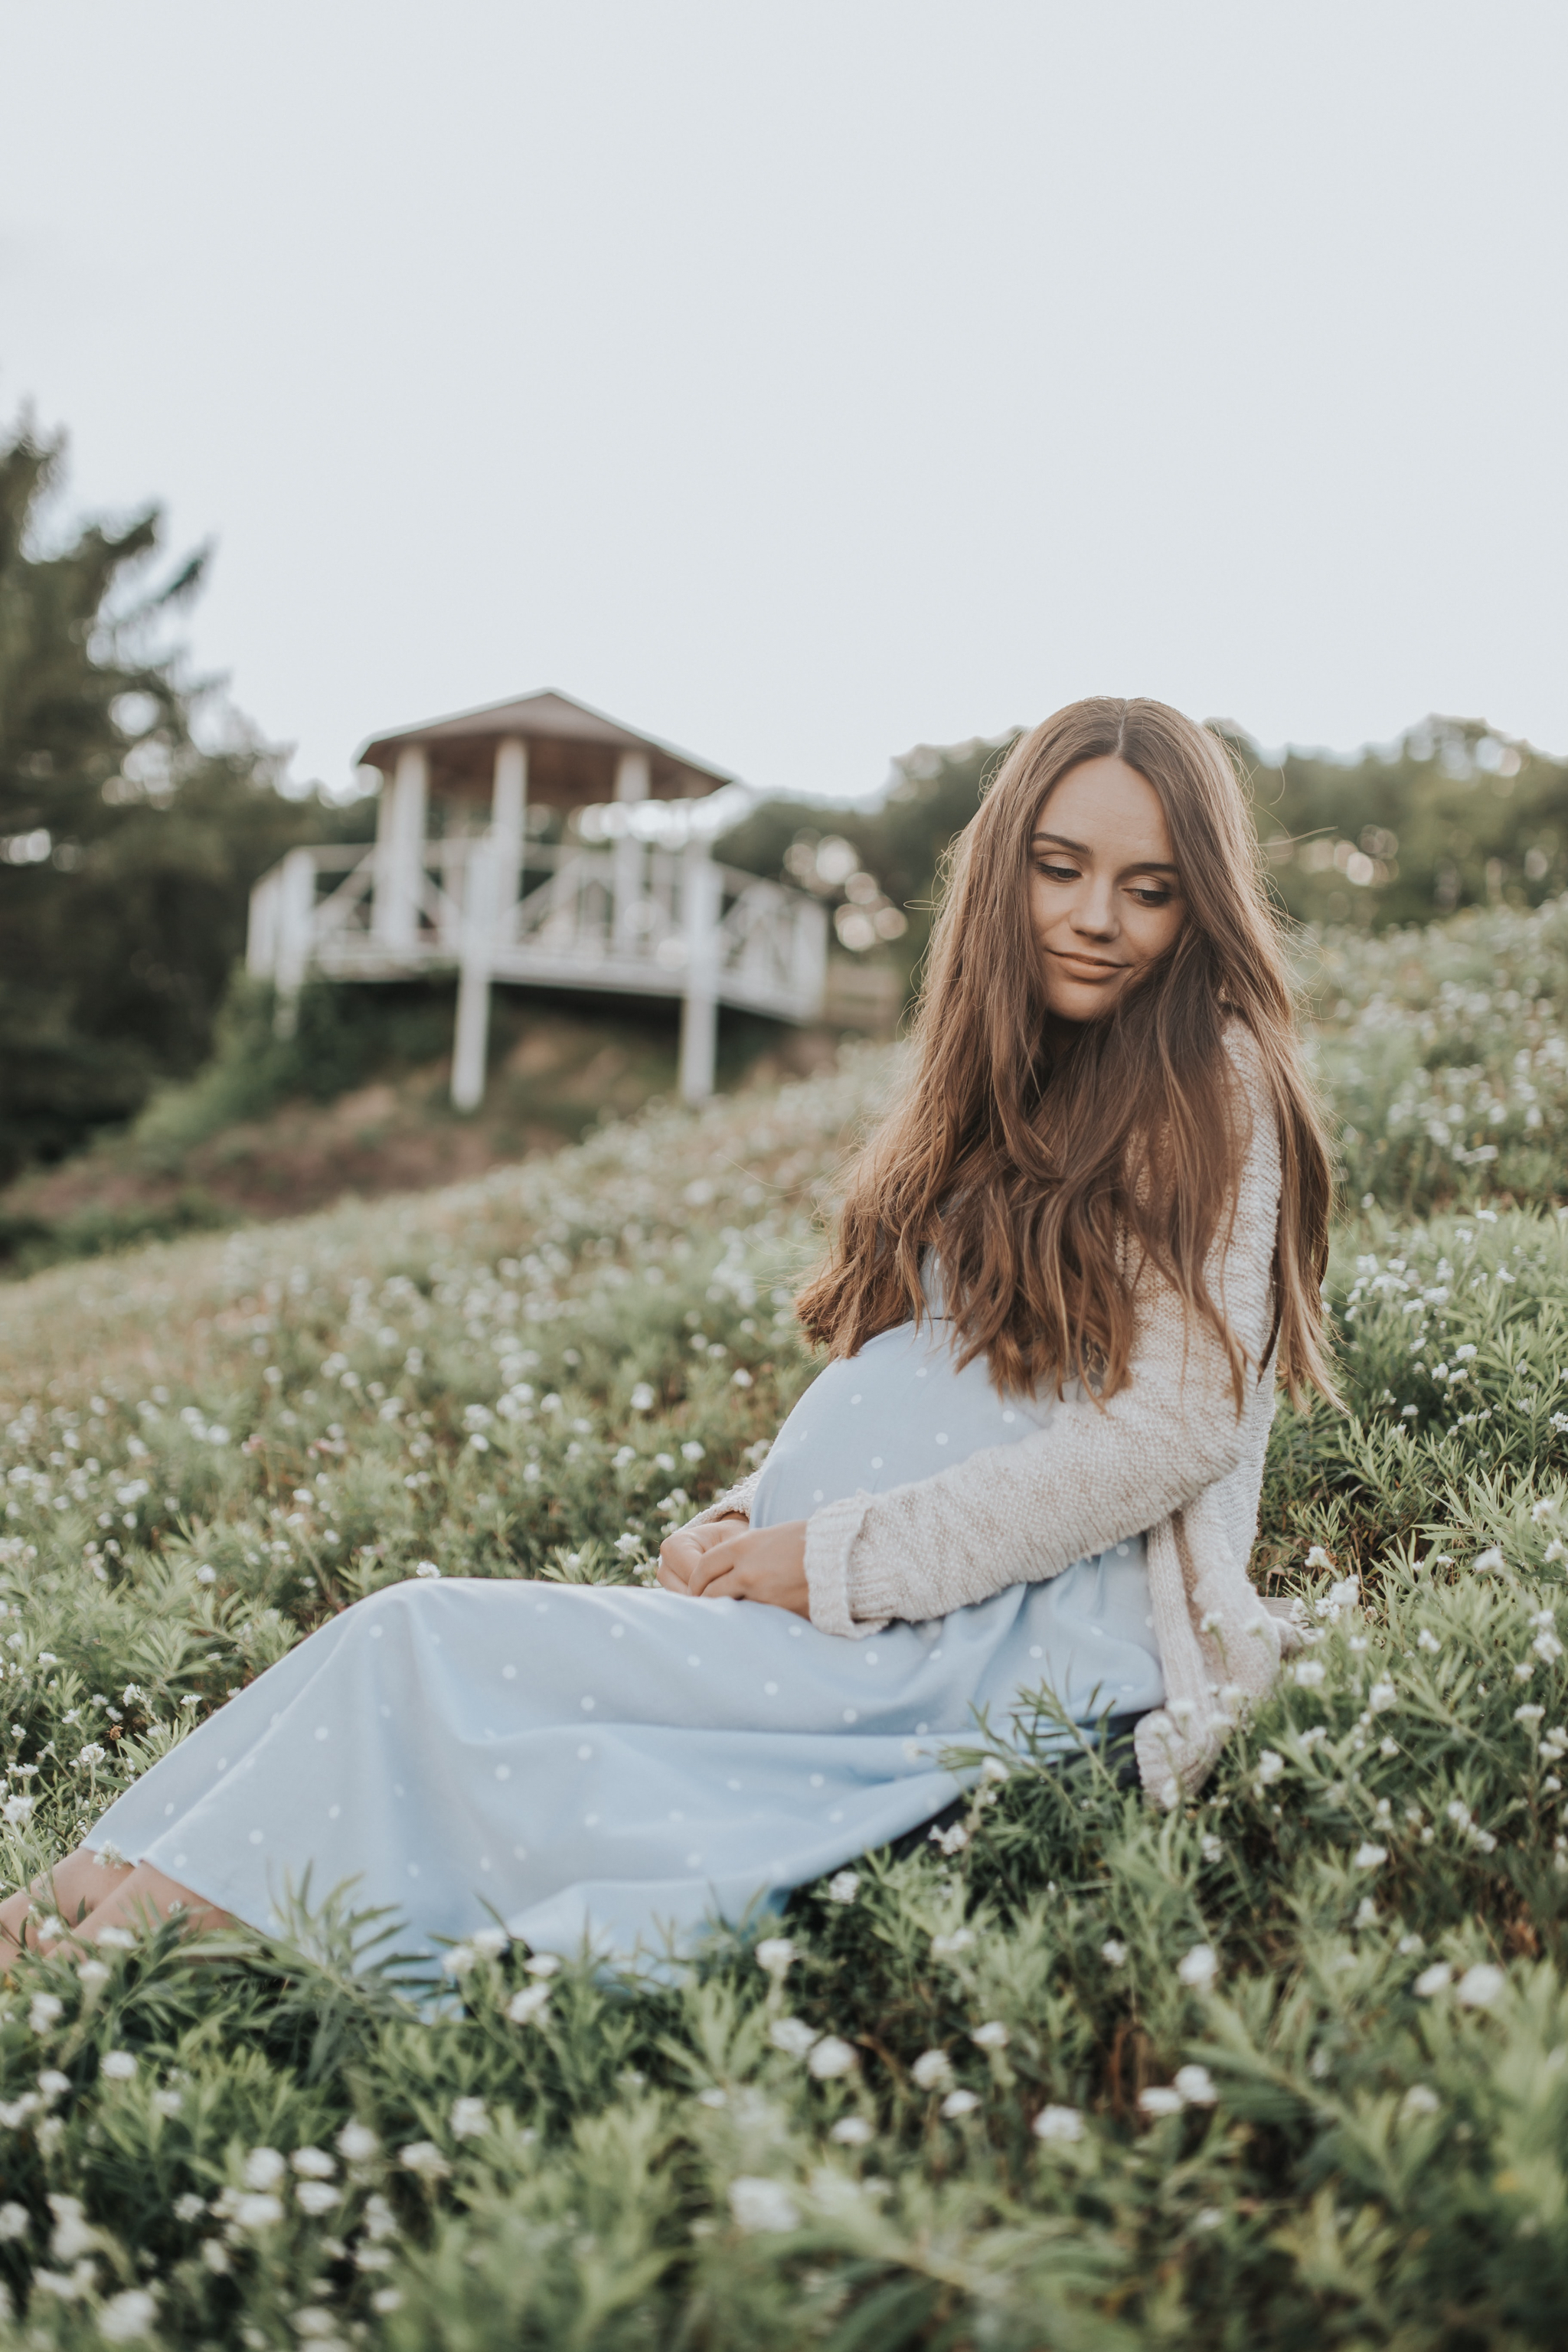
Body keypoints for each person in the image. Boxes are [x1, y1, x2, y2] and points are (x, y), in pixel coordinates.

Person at [0, 697, 1335, 1968]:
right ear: (1003, 875)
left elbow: (1181, 1426)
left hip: (1000, 1642)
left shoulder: (1208, 1074)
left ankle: (116, 1952)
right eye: (1059, 869)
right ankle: (66, 1912)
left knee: (422, 1646)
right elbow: (939, 1366)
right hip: (875, 1607)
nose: (1096, 917)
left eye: (1149, 889)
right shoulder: (1008, 1075)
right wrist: (745, 1513)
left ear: (1200, 904)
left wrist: (839, 1557)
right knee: (391, 1643)